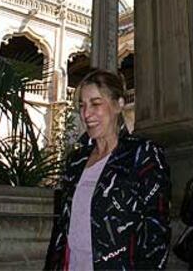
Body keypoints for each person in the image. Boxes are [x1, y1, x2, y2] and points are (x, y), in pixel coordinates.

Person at [45, 70, 171, 270]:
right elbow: (62, 229)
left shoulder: (142, 154)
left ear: (119, 104)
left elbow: (156, 230)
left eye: (95, 103)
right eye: (82, 106)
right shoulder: (76, 161)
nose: (86, 114)